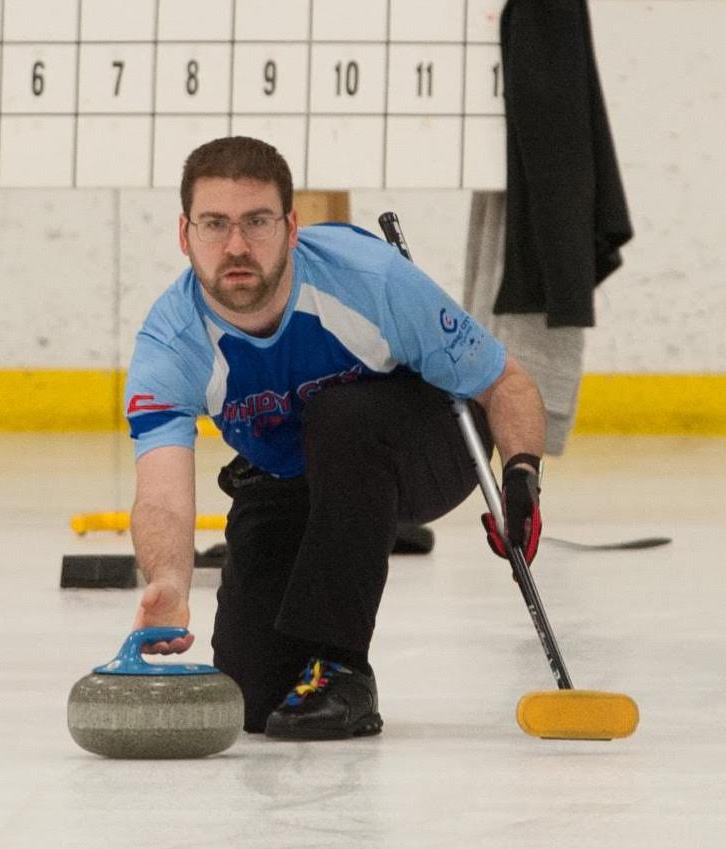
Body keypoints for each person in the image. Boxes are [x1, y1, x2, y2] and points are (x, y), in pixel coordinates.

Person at [124, 135, 545, 740]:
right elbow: (161, 496)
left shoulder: (369, 280)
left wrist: (523, 477)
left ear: (292, 227)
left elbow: (505, 382)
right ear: (184, 234)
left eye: (257, 222)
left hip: (420, 448)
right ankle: (305, 662)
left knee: (341, 416)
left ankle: (343, 668)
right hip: (291, 472)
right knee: (254, 700)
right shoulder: (171, 342)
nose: (236, 245)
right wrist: (168, 579)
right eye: (214, 224)